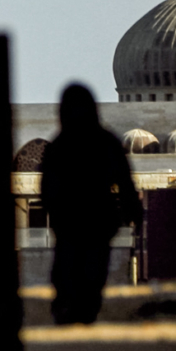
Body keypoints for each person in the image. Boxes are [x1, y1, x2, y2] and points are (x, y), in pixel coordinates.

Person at [42, 83, 142, 325]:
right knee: (83, 270)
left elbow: (47, 189)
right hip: (93, 220)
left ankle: (75, 311)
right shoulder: (105, 141)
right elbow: (126, 183)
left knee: (78, 269)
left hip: (79, 221)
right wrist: (133, 214)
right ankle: (77, 311)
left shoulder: (60, 145)